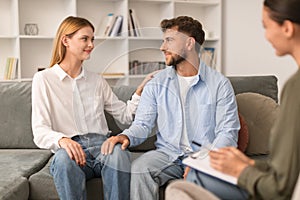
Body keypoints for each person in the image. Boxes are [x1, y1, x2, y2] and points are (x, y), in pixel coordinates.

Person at [166, 0, 300, 199]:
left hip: (275, 191)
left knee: (183, 187)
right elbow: (286, 169)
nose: (266, 35)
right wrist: (249, 164)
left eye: (266, 26)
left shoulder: (295, 88)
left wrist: (241, 171)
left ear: (287, 28)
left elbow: (279, 188)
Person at [101, 16, 240, 200]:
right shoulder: (156, 83)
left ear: (190, 43)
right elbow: (143, 124)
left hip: (204, 156)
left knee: (197, 179)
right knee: (140, 169)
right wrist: (125, 136)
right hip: (167, 154)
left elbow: (228, 132)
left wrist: (202, 162)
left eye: (169, 40)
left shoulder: (219, 84)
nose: (162, 47)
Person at [31, 16, 155, 200]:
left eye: (92, 39)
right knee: (64, 162)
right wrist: (63, 140)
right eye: (84, 39)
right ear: (66, 41)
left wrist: (139, 91)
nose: (91, 44)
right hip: (69, 150)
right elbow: (40, 130)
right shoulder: (44, 80)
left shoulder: (97, 80)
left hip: (102, 146)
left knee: (119, 154)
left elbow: (125, 116)